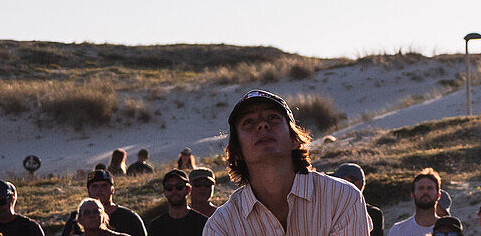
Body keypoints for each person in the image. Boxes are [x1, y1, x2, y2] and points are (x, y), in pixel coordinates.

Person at [203, 89, 369, 234]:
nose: (262, 125)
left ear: (294, 139)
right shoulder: (222, 225)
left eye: (273, 117)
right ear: (237, 151)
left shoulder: (342, 198)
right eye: (248, 122)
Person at [61, 170, 147, 236]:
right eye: (95, 186)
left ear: (112, 190)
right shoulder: (77, 218)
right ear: (88, 191)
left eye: (104, 185)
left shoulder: (129, 218)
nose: (99, 190)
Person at [146, 169, 206, 236]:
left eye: (179, 187)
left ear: (188, 189)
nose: (174, 191)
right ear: (164, 191)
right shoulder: (156, 226)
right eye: (169, 187)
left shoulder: (202, 223)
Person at [332, 163, 383, 236]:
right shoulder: (333, 210)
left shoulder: (373, 214)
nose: (335, 185)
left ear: (358, 184)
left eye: (341, 181)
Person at [388, 168, 443, 235]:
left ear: (438, 195)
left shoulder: (449, 231)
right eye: (421, 188)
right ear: (412, 194)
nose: (425, 192)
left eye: (430, 188)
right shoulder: (398, 230)